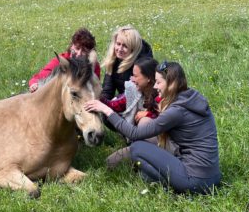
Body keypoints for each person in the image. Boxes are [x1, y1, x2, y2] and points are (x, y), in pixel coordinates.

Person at [84, 61, 221, 194]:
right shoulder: (191, 98)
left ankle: (165, 184)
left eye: (159, 82)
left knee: (137, 147)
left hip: (195, 181)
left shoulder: (177, 111)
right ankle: (159, 177)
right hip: (212, 177)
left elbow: (134, 134)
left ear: (172, 84)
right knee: (145, 144)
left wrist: (106, 110)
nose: (155, 86)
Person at [29, 28, 101, 93]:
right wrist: (34, 84)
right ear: (72, 46)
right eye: (77, 48)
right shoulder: (62, 60)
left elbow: (95, 89)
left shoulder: (93, 66)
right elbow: (39, 76)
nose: (79, 54)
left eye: (84, 51)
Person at [101, 25, 153, 100]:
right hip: (123, 101)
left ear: (133, 49)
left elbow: (138, 96)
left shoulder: (142, 66)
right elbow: (107, 91)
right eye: (118, 44)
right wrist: (101, 103)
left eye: (125, 46)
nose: (120, 49)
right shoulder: (113, 60)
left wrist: (112, 104)